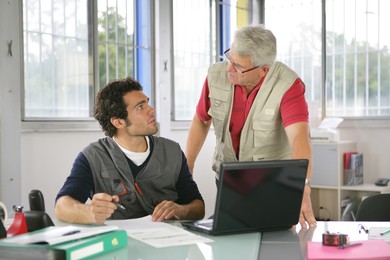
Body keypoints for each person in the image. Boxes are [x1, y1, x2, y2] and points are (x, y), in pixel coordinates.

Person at [185, 25, 316, 228]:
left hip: (273, 183)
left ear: (263, 70)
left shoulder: (288, 84)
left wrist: (303, 186)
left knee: (276, 243)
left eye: (237, 66)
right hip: (228, 180)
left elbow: (299, 136)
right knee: (229, 238)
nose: (229, 68)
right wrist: (188, 166)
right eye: (230, 58)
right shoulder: (216, 75)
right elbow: (202, 120)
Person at [55, 77, 205, 224]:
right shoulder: (91, 157)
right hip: (119, 242)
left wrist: (181, 210)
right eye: (140, 107)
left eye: (147, 103)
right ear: (118, 122)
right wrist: (89, 212)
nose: (151, 110)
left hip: (169, 242)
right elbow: (62, 206)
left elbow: (198, 207)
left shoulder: (172, 151)